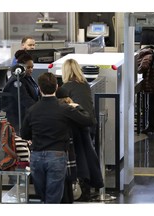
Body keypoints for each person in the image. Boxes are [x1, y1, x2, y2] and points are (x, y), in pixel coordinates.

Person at [20, 72, 93, 203]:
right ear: (57, 87)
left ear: (39, 88)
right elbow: (88, 120)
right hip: (57, 155)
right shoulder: (65, 109)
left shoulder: (32, 110)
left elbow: (24, 134)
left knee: (42, 195)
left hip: (36, 156)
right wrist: (77, 107)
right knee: (53, 196)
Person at [60, 58, 104, 201]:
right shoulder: (84, 84)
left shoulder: (66, 87)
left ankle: (82, 187)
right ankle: (94, 183)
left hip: (77, 126)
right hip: (90, 123)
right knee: (89, 153)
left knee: (79, 157)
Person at [2, 50, 40, 133]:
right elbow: (25, 100)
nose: (31, 70)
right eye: (28, 67)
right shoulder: (16, 81)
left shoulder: (28, 78)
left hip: (27, 116)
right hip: (17, 120)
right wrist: (40, 109)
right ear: (20, 67)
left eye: (32, 67)